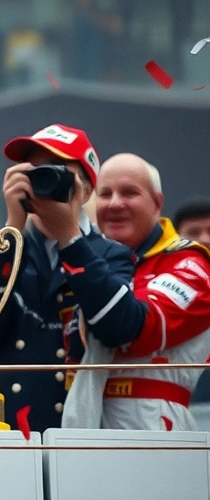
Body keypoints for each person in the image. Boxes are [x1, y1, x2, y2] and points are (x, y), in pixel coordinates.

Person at [0, 124, 144, 433]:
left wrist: (70, 237)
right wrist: (13, 227)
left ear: (86, 190)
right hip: (7, 433)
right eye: (34, 171)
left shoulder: (110, 254)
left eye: (56, 170)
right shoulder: (4, 249)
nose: (42, 180)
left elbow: (121, 328)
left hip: (75, 433)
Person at [64, 154, 210, 431]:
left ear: (157, 203)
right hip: (81, 418)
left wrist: (69, 240)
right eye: (105, 194)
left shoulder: (191, 265)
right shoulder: (87, 259)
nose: (115, 203)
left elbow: (133, 331)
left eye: (130, 192)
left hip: (150, 423)